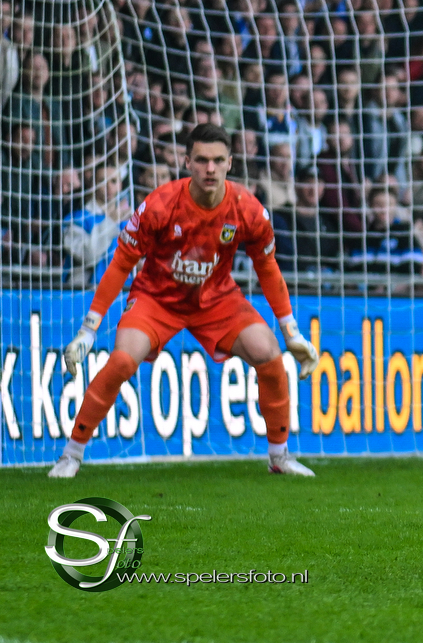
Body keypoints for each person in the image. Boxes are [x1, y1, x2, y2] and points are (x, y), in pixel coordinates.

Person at [50, 124, 320, 478]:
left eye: (218, 160)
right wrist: (89, 329)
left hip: (216, 298)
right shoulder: (160, 204)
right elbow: (120, 264)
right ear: (187, 162)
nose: (210, 168)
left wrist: (291, 331)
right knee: (122, 361)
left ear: (230, 163)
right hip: (156, 298)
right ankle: (71, 454)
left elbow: (267, 268)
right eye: (202, 160)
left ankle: (279, 456)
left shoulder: (247, 208)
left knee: (269, 354)